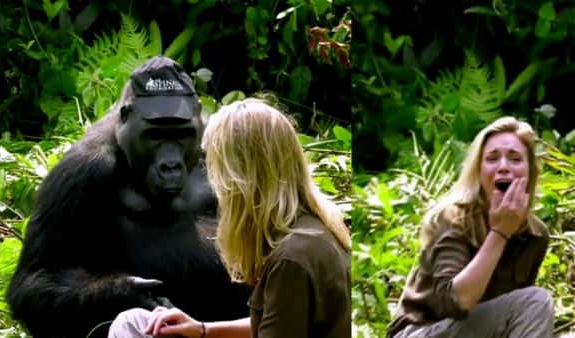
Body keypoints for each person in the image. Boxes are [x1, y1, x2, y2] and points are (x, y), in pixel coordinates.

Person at [108, 98, 352, 338]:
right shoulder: (312, 227)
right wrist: (202, 330)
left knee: (129, 330)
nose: (214, 183)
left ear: (241, 177)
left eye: (215, 166)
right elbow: (274, 320)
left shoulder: (291, 258)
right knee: (133, 321)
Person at [388, 116, 554, 338]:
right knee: (537, 300)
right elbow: (456, 301)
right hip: (422, 331)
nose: (503, 167)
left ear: (530, 172)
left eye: (515, 159)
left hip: (477, 331)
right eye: (492, 159)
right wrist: (500, 232)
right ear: (478, 170)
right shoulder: (451, 217)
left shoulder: (535, 235)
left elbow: (515, 318)